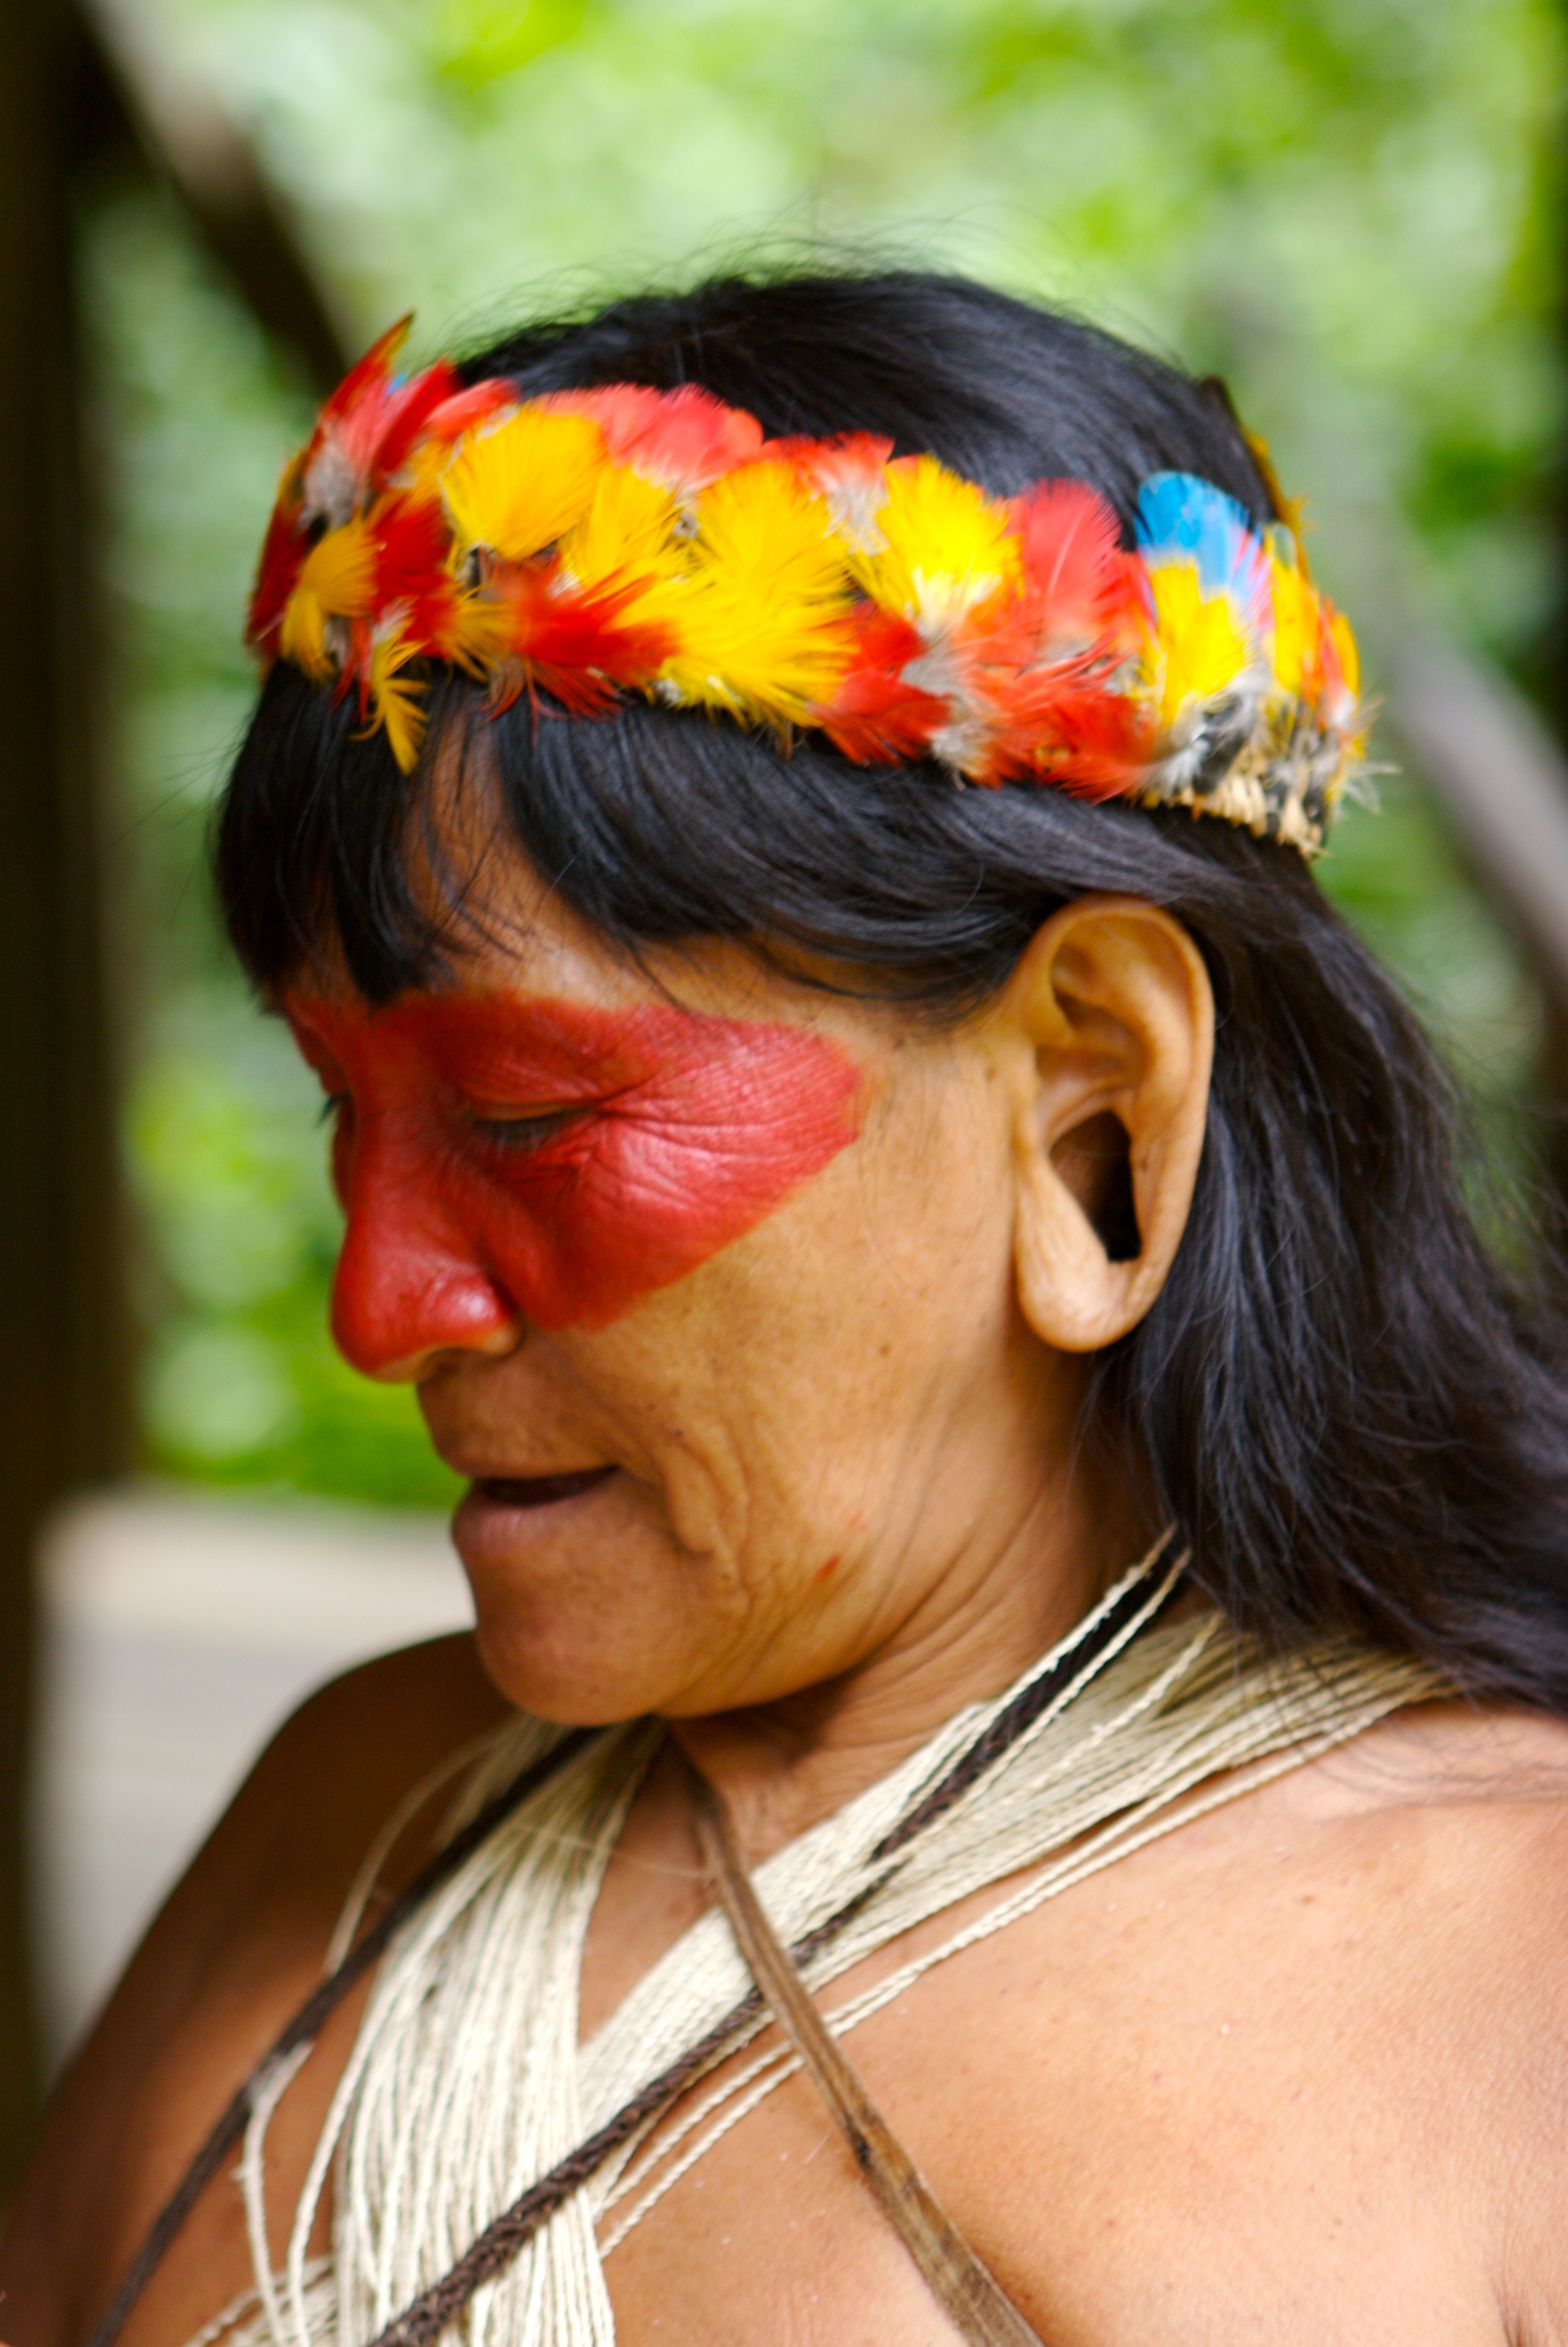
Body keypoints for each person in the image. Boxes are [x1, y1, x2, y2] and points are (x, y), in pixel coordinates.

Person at [5, 268, 1568, 2347]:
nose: (381, 1305)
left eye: (530, 1111)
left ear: (1095, 1108)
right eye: (338, 1110)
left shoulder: (1513, 1993)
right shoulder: (343, 1817)